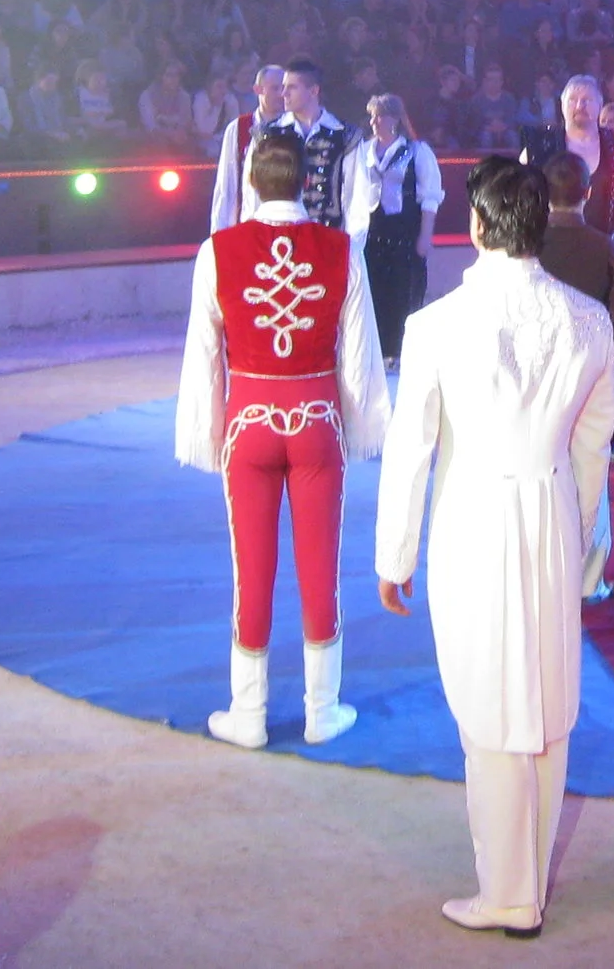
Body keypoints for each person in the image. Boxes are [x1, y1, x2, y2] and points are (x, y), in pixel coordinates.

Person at [375, 159, 614, 939]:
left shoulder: (434, 323)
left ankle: (508, 890)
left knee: (488, 700)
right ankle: (525, 882)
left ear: (478, 224)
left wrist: (395, 555)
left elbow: (408, 450)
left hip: (475, 514)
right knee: (544, 697)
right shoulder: (588, 318)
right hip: (548, 508)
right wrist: (577, 534)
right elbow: (593, 442)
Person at [174, 134, 389, 752]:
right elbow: (358, 358)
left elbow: (203, 356)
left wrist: (206, 431)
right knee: (322, 568)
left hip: (249, 426)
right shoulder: (341, 251)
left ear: (251, 180)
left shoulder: (217, 252)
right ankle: (322, 709)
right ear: (306, 183)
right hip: (317, 419)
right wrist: (361, 424)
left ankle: (250, 713)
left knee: (253, 570)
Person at [538, 151, 614, 594]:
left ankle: (540, 566)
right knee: (590, 467)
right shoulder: (606, 247)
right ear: (588, 192)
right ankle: (588, 579)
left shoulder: (528, 243)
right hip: (592, 373)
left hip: (538, 372)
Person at [521, 74, 614, 295]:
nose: (580, 105)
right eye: (573, 99)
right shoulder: (538, 149)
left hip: (611, 252)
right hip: (553, 256)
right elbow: (522, 205)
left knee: (612, 323)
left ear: (600, 105)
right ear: (562, 104)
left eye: (587, 99)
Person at [349, 92, 441, 369]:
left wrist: (425, 236)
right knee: (374, 289)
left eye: (381, 115)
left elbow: (430, 196)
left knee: (403, 291)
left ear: (395, 119)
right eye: (372, 116)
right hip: (371, 230)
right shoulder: (363, 151)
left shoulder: (417, 151)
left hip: (404, 229)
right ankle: (375, 353)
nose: (375, 121)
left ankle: (401, 352)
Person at [269, 57, 359, 225]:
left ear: (313, 91)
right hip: (279, 238)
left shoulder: (345, 136)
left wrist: (351, 248)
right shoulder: (269, 135)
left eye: (292, 87)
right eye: (283, 87)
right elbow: (254, 197)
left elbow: (356, 198)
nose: (284, 94)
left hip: (327, 238)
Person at [208, 64, 288, 232]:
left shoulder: (296, 127)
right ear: (258, 89)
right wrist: (219, 232)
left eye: (284, 88)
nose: (281, 94)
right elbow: (226, 184)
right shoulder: (238, 128)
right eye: (274, 88)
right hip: (247, 225)